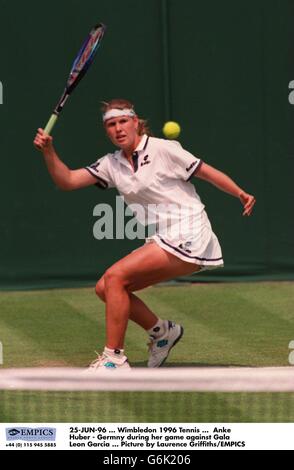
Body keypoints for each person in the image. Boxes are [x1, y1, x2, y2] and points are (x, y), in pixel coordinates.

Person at [34, 98, 256, 371]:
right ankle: (162, 332)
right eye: (111, 124)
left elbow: (207, 172)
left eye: (123, 121)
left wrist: (240, 193)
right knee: (106, 288)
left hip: (189, 230)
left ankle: (114, 358)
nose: (118, 128)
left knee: (115, 277)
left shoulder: (164, 149)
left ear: (136, 122)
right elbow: (67, 180)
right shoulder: (111, 164)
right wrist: (49, 151)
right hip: (165, 236)